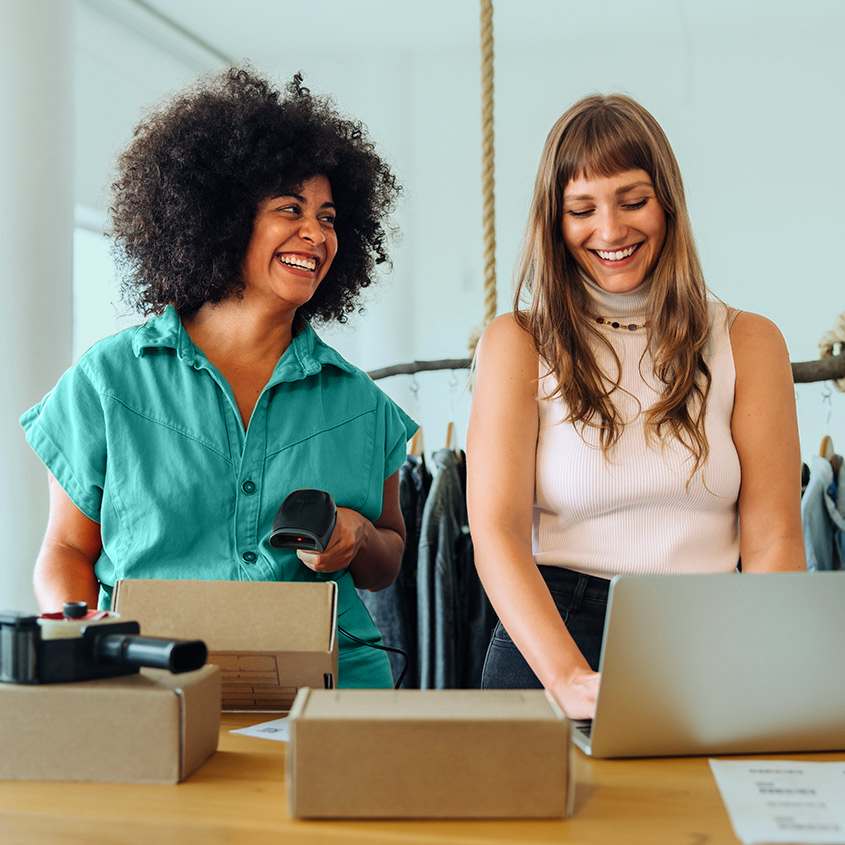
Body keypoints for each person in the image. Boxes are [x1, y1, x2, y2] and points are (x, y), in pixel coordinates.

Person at [21, 68, 415, 689]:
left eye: (329, 217)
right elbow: (67, 550)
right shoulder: (108, 381)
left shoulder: (360, 404)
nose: (316, 235)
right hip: (153, 679)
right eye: (291, 209)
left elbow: (386, 560)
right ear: (225, 217)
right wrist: (88, 650)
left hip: (328, 687)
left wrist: (359, 536)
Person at [466, 94, 805, 719]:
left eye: (633, 201)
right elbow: (496, 532)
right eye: (581, 209)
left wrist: (765, 659)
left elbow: (775, 539)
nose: (610, 230)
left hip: (712, 631)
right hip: (553, 636)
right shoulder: (518, 342)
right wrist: (569, 677)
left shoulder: (750, 342)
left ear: (667, 202)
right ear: (554, 221)